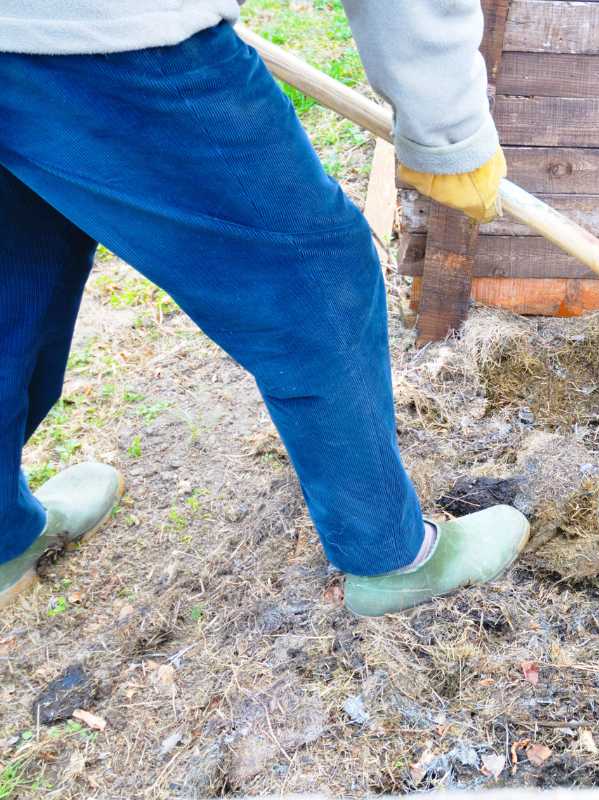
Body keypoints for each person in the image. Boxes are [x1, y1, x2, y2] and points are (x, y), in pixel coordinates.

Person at [0, 1, 529, 616]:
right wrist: (452, 131)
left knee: (16, 272)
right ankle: (390, 554)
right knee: (312, 276)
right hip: (102, 40)